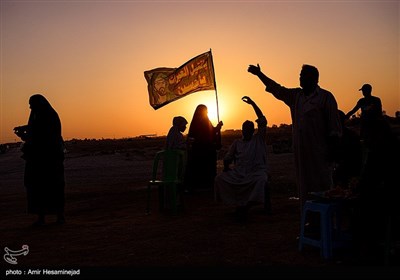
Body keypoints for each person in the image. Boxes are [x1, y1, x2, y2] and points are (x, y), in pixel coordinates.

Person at [248, 63, 342, 211]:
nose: (300, 78)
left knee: (323, 188)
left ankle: (323, 226)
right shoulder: (296, 97)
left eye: (302, 75)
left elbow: (334, 129)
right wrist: (260, 75)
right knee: (305, 189)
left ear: (313, 78)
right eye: (300, 75)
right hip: (302, 154)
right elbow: (277, 89)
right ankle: (308, 223)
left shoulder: (325, 98)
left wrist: (332, 153)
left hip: (320, 154)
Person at [214, 96, 269, 222]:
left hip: (256, 172)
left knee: (261, 180)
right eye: (245, 129)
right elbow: (228, 157)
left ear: (253, 130)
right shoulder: (237, 143)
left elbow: (262, 120)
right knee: (219, 179)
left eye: (249, 129)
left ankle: (246, 207)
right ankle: (238, 204)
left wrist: (253, 104)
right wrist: (226, 166)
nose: (247, 131)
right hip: (239, 173)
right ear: (242, 130)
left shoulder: (258, 139)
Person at [14, 94, 65, 226]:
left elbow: (42, 135)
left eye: (32, 104)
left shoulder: (50, 117)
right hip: (38, 160)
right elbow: (36, 132)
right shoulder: (42, 116)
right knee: (37, 188)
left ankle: (59, 217)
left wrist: (25, 133)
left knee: (52, 187)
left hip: (49, 160)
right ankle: (41, 217)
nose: (30, 107)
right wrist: (25, 131)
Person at [185, 104, 223, 192]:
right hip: (202, 149)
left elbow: (211, 131)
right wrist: (217, 128)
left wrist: (217, 128)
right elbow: (208, 132)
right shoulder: (201, 121)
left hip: (202, 149)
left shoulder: (203, 121)